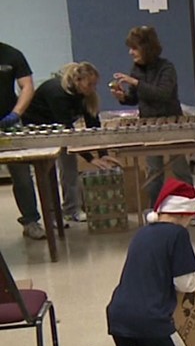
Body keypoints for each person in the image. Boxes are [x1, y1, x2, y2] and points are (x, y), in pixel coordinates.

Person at [82, 179, 195, 346]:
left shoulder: (141, 234)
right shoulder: (178, 235)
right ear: (185, 215)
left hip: (117, 317)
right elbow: (185, 284)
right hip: (151, 319)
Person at [111, 26, 195, 223]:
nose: (130, 52)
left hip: (171, 122)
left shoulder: (167, 68)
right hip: (148, 125)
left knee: (180, 169)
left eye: (134, 48)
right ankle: (155, 210)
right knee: (153, 171)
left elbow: (163, 94)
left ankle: (190, 211)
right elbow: (135, 97)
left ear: (146, 48)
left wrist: (135, 83)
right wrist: (123, 97)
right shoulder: (137, 69)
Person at [23, 62, 117, 223]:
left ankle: (71, 209)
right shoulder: (58, 93)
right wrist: (90, 158)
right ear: (78, 81)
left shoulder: (87, 96)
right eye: (90, 84)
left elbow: (93, 127)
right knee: (46, 172)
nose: (93, 88)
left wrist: (103, 154)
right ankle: (51, 215)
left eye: (95, 84)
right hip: (38, 127)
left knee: (70, 167)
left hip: (61, 127)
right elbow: (68, 132)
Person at [0, 41, 47, 240]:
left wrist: (15, 114)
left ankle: (30, 221)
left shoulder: (12, 54)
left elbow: (27, 86)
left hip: (8, 122)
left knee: (22, 176)